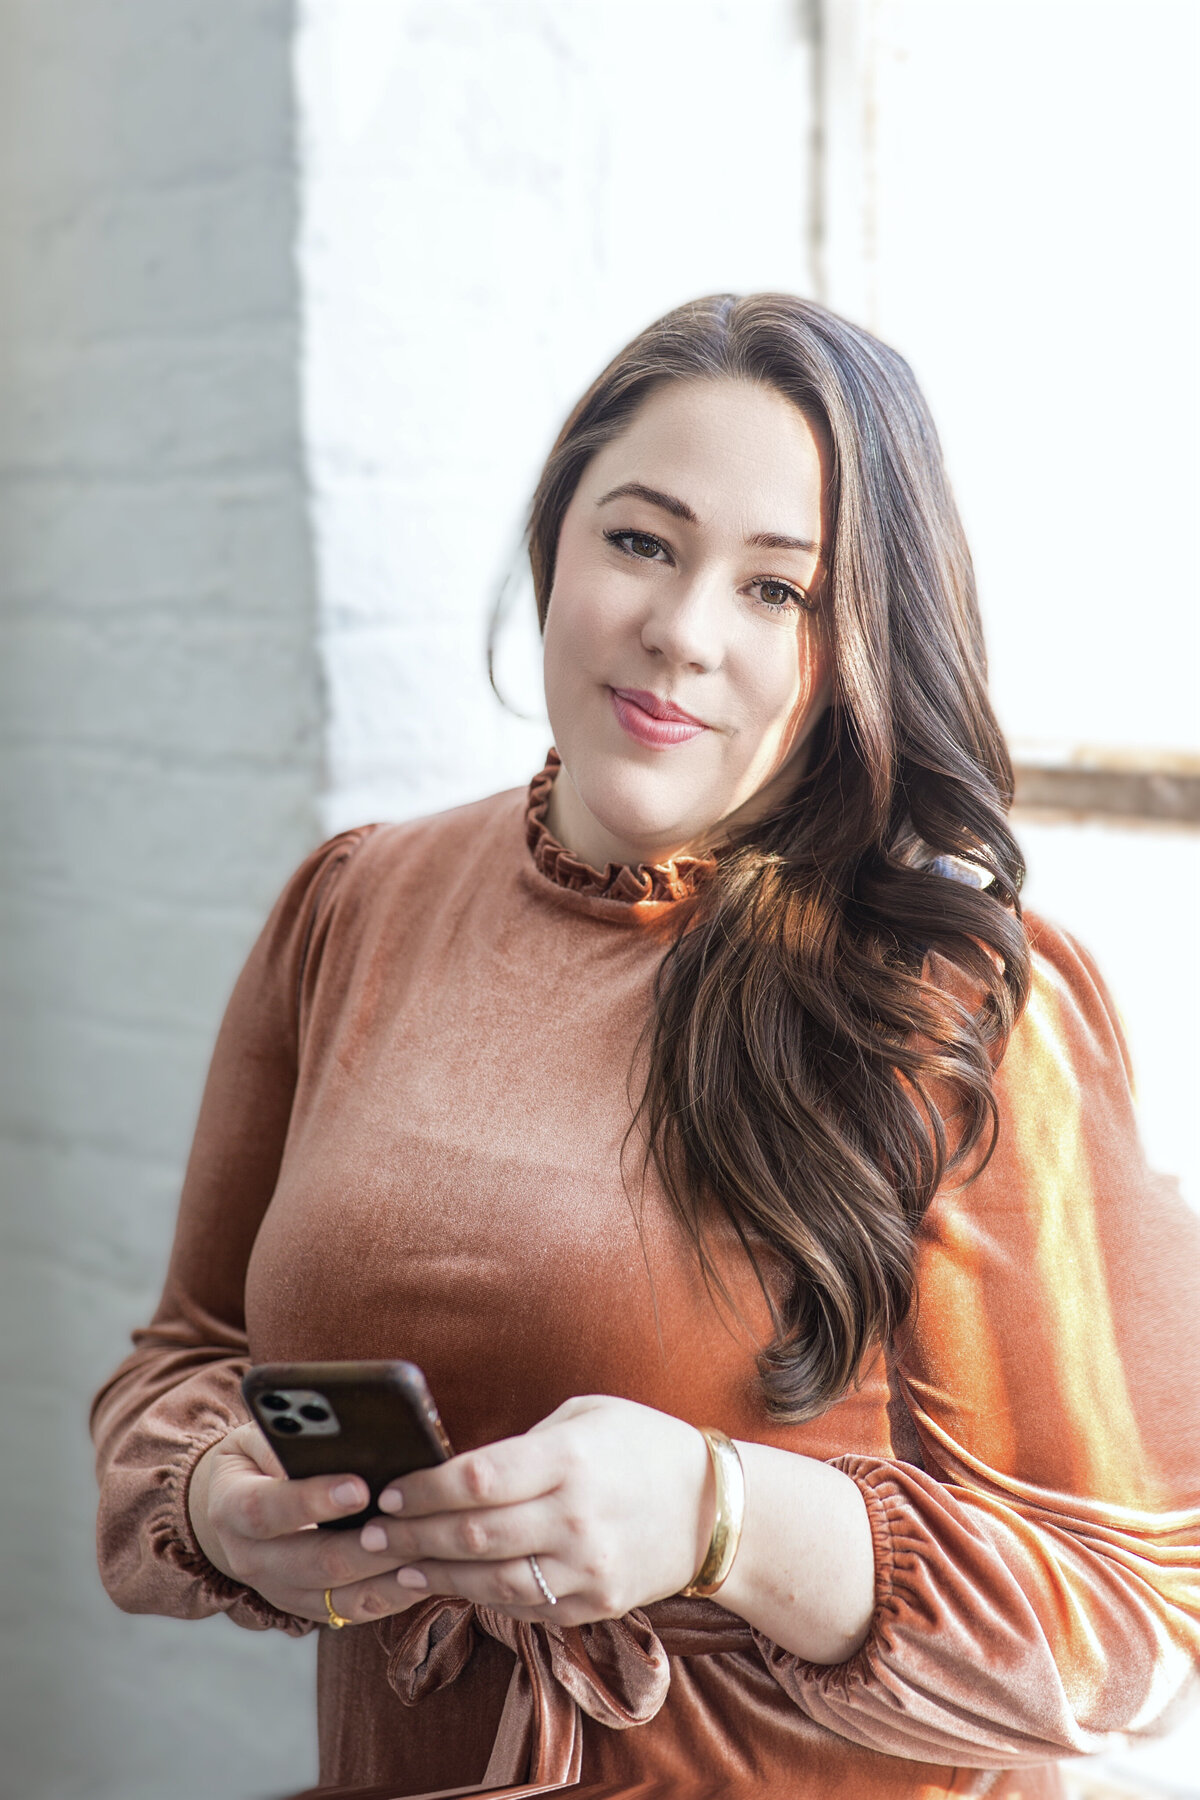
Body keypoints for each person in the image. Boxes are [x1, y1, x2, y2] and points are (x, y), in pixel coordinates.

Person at [89, 292, 1200, 1799]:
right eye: (641, 542)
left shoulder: (956, 1004)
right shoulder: (353, 905)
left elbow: (1142, 1621)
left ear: (858, 640)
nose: (682, 633)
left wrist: (722, 1518)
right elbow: (189, 1360)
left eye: (777, 592)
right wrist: (221, 1505)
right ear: (555, 542)